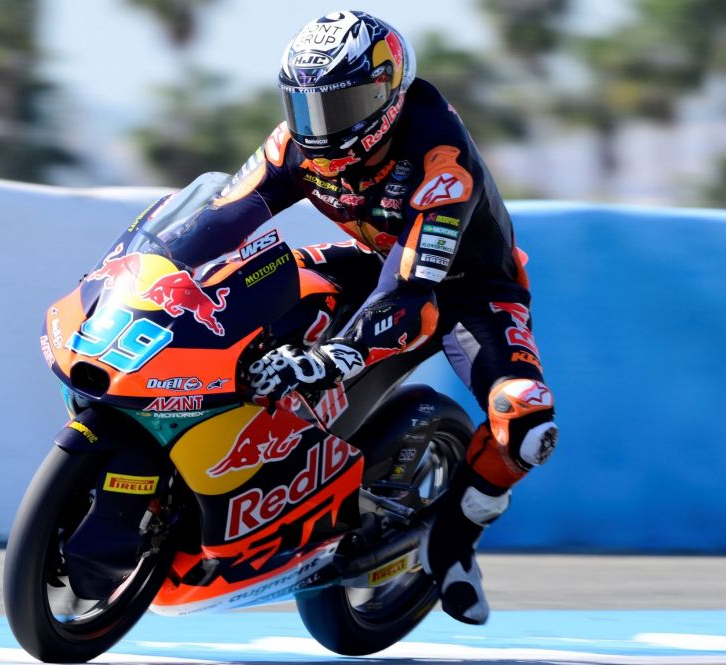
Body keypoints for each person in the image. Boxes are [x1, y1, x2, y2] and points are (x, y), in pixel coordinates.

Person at [173, 10, 558, 625]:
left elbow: (411, 295)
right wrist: (149, 260)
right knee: (254, 278)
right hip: (376, 262)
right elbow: (222, 215)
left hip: (468, 292)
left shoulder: (440, 162)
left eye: (342, 104)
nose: (321, 126)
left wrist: (334, 356)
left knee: (528, 419)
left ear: (387, 92)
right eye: (307, 107)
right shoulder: (295, 145)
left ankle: (453, 543)